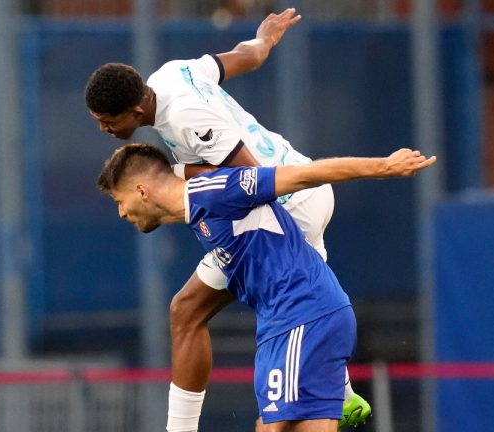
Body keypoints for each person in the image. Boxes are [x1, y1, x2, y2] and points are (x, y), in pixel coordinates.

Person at [85, 8, 370, 428]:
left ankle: (327, 396)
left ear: (135, 109)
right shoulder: (170, 75)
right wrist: (264, 39)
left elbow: (250, 179)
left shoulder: (185, 120)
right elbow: (243, 56)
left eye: (108, 122)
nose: (103, 130)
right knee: (188, 310)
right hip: (303, 187)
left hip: (290, 204)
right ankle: (341, 393)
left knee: (265, 308)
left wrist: (173, 176)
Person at [96, 143, 436, 432]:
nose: (122, 213)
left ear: (142, 191)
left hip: (303, 318)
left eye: (119, 201)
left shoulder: (213, 192)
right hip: (289, 324)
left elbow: (304, 175)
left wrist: (385, 166)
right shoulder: (197, 210)